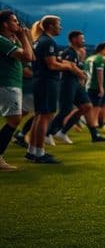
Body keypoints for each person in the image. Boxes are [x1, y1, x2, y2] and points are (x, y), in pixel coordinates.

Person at [29, 15, 84, 164]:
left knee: (40, 115)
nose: (60, 27)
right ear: (50, 26)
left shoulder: (40, 41)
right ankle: (40, 153)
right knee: (45, 116)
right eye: (58, 25)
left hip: (41, 80)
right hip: (47, 81)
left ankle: (32, 150)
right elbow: (52, 65)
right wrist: (67, 66)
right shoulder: (48, 41)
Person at [47, 31, 105, 144]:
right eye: (82, 39)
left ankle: (65, 132)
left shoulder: (76, 53)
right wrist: (82, 74)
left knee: (87, 106)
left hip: (76, 84)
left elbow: (74, 67)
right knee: (65, 110)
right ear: (74, 39)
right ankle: (48, 133)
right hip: (67, 83)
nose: (84, 41)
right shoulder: (68, 52)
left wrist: (81, 76)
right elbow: (70, 67)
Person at [0, 11, 35, 171]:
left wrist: (25, 38)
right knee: (14, 120)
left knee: (14, 119)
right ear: (5, 24)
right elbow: (27, 57)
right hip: (6, 84)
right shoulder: (2, 40)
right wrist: (22, 37)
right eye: (14, 21)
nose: (18, 24)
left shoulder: (9, 40)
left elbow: (31, 56)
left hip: (11, 83)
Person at [83, 43, 105, 143]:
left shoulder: (89, 58)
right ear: (101, 49)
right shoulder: (101, 58)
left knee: (87, 108)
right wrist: (101, 87)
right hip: (94, 86)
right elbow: (100, 73)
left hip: (87, 85)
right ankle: (95, 133)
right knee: (95, 109)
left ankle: (95, 132)